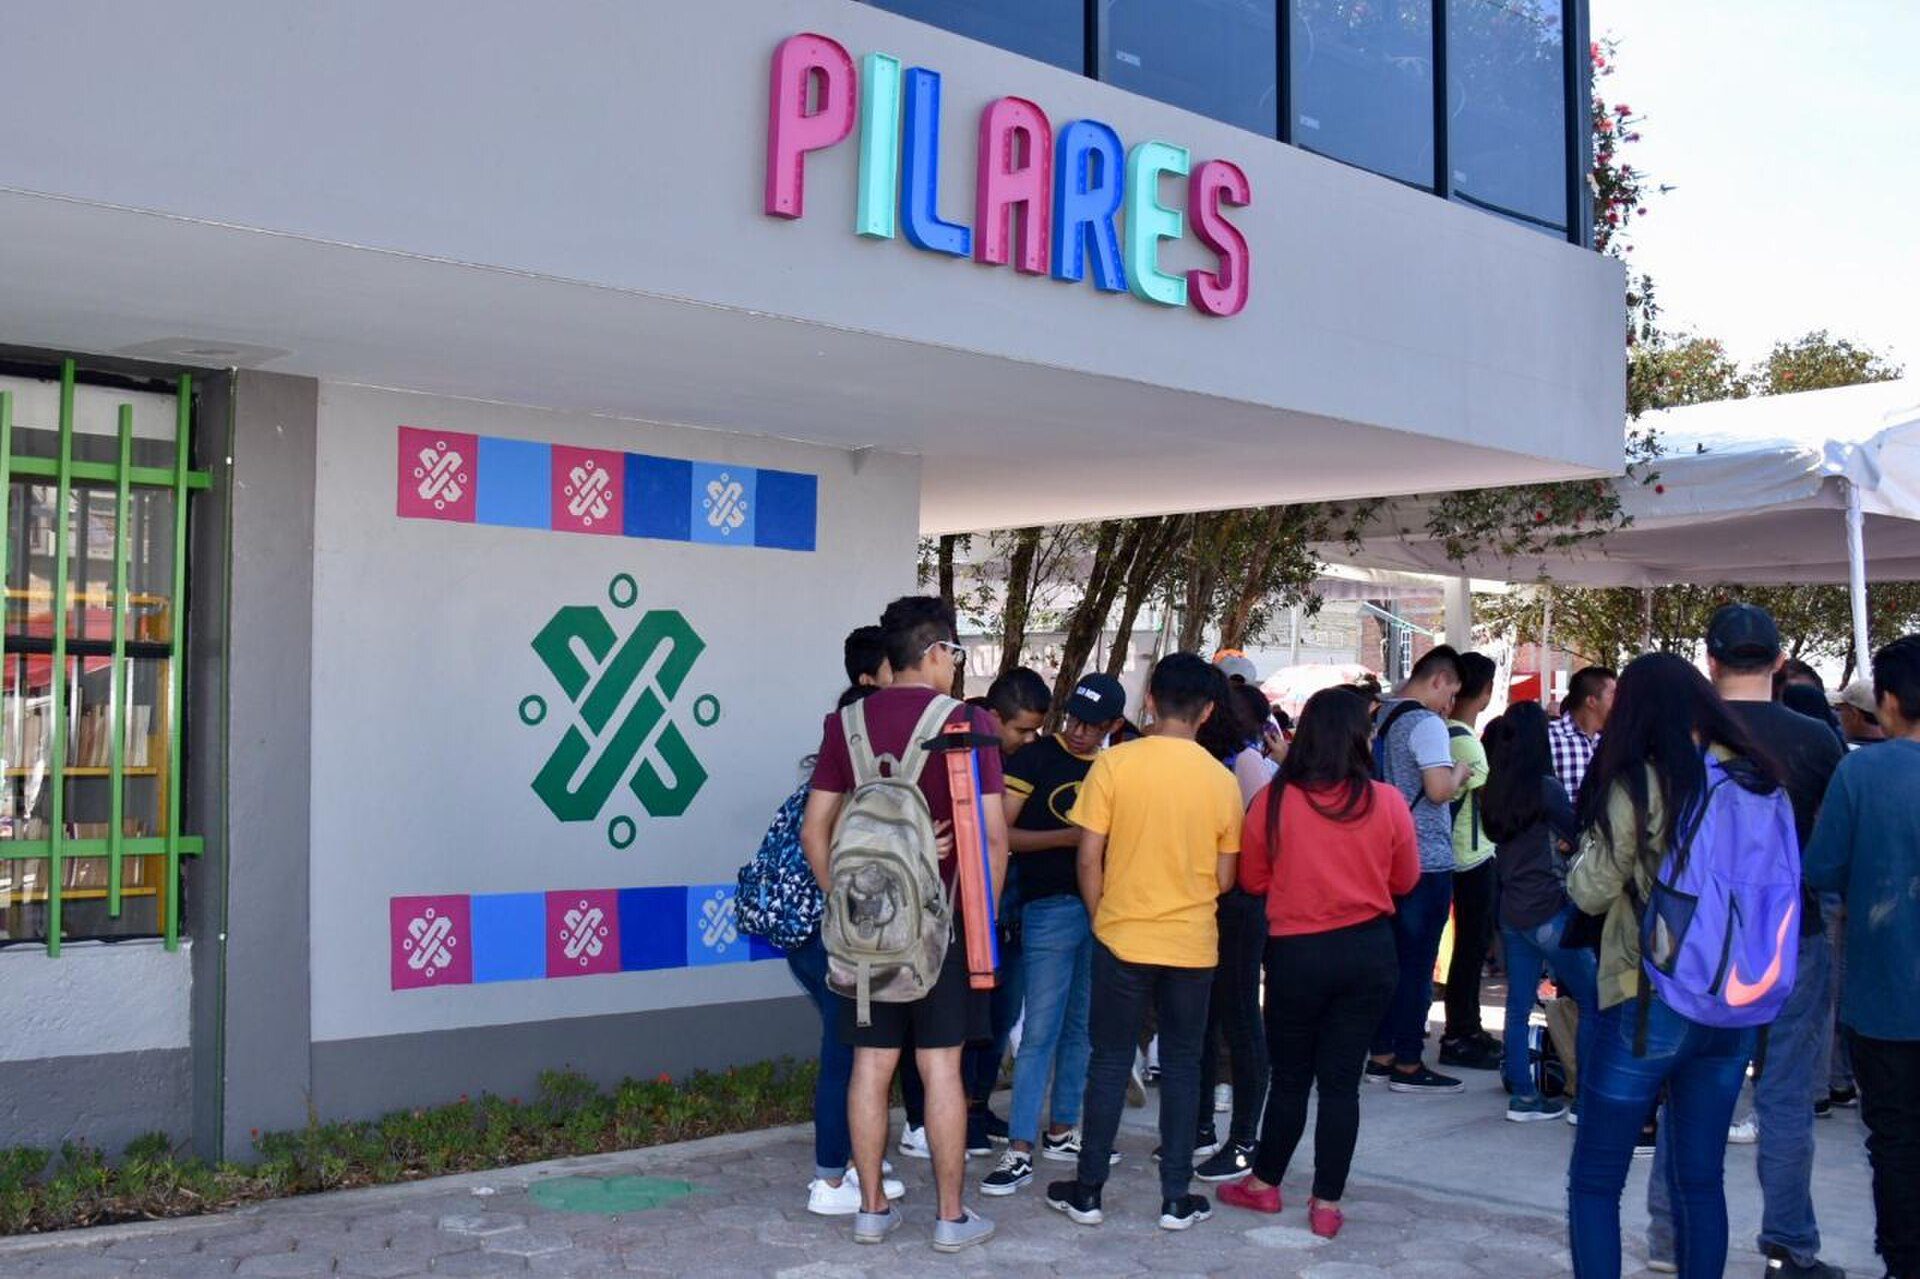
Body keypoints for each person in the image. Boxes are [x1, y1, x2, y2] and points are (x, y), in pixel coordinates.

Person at [1641, 604, 1845, 1279]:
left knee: (1688, 1089)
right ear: (1781, 662)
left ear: (1711, 661)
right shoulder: (1816, 739)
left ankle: (1669, 1236)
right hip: (1794, 937)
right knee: (1785, 1096)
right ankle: (1789, 1245)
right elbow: (1831, 847)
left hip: (1697, 941)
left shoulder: (1685, 736)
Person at [800, 596, 1009, 1253]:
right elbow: (993, 839)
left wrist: (847, 903)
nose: (955, 665)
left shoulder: (847, 724)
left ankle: (870, 1209)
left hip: (867, 932)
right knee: (941, 1067)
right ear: (936, 651)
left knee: (870, 1065)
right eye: (955, 653)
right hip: (942, 929)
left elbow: (814, 830)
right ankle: (950, 1217)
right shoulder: (967, 723)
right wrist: (980, 921)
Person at [1564, 652, 1782, 1279]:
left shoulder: (1640, 782)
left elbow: (1591, 892)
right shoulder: (1755, 776)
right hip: (1732, 1000)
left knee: (1596, 1181)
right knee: (1701, 1180)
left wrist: (1580, 854)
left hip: (1648, 997)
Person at [1045, 653, 1243, 1232]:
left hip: (1121, 936)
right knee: (1182, 1066)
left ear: (1150, 700)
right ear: (1207, 711)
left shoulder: (1114, 765)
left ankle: (1087, 1192)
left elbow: (1088, 858)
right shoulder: (1222, 780)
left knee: (1108, 1061)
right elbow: (1226, 878)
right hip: (1192, 944)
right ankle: (1176, 1198)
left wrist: (1103, 918)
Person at [1217, 688, 1418, 1237]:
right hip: (1368, 951)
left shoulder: (1274, 801)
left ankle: (1265, 1183)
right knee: (1341, 1083)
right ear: (1359, 738)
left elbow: (1252, 878)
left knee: (1290, 1078)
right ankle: (1326, 1203)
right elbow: (1405, 880)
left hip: (1298, 954)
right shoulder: (1387, 801)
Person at [980, 674, 1126, 1197]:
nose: (1080, 732)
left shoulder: (1114, 766)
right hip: (1049, 908)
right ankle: (1019, 1147)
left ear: (1114, 725)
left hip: (1102, 908)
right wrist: (1071, 837)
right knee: (1039, 1031)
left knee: (1081, 1027)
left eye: (1094, 725)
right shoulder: (1034, 758)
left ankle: (1063, 1129)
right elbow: (1001, 834)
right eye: (1074, 720)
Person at [1805, 634, 1920, 1279]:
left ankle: (1905, 1263)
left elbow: (1822, 867)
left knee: (1896, 1142)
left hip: (1885, 996)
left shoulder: (1862, 773)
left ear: (1891, 701)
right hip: (1887, 995)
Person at [787, 677, 910, 1216]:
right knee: (848, 1056)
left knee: (854, 1054)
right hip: (834, 939)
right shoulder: (853, 797)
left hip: (812, 939)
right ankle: (831, 1180)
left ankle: (857, 1165)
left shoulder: (823, 785)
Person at [1481, 701, 1595, 1123]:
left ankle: (1524, 1097)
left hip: (1512, 909)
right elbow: (1578, 834)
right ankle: (1584, 1100)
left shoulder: (1494, 789)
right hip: (1548, 907)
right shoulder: (1547, 788)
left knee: (1517, 1006)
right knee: (1593, 1002)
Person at [1365, 645, 1472, 1094]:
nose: (1451, 704)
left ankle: (1381, 1054)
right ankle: (1409, 1062)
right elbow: (1437, 790)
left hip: (1385, 855)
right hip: (1425, 857)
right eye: (1451, 693)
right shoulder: (1427, 724)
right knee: (1417, 964)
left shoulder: (1383, 715)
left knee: (1390, 962)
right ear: (1438, 680)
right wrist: (1460, 772)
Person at [959, 665, 1052, 1154]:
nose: (1029, 739)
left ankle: (978, 1108)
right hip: (972, 914)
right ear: (993, 717)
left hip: (1011, 915)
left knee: (1000, 1018)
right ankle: (957, 1115)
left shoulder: (1020, 760)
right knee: (970, 1023)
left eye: (1035, 730)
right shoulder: (962, 753)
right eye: (1021, 729)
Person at [1194, 681, 1276, 1182]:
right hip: (1203, 901)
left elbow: (1263, 837)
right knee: (1202, 1019)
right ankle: (1200, 1126)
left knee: (1240, 1018)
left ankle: (1244, 1138)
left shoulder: (1244, 762)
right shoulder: (1197, 759)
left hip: (1240, 904)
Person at [1439, 652, 1501, 1072]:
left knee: (1468, 948)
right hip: (1471, 857)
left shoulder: (1442, 732)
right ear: (1486, 692)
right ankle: (1461, 1032)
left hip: (1456, 854)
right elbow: (1488, 800)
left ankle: (1466, 1027)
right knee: (1471, 948)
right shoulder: (1464, 742)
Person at [1550, 665, 1616, 801]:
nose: (1619, 701)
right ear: (1591, 701)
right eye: (1613, 694)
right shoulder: (1550, 737)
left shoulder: (1612, 742)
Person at [1827, 677, 1885, 749]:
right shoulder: (1897, 747)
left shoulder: (1846, 753)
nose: (1839, 716)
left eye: (1839, 709)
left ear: (1855, 715)